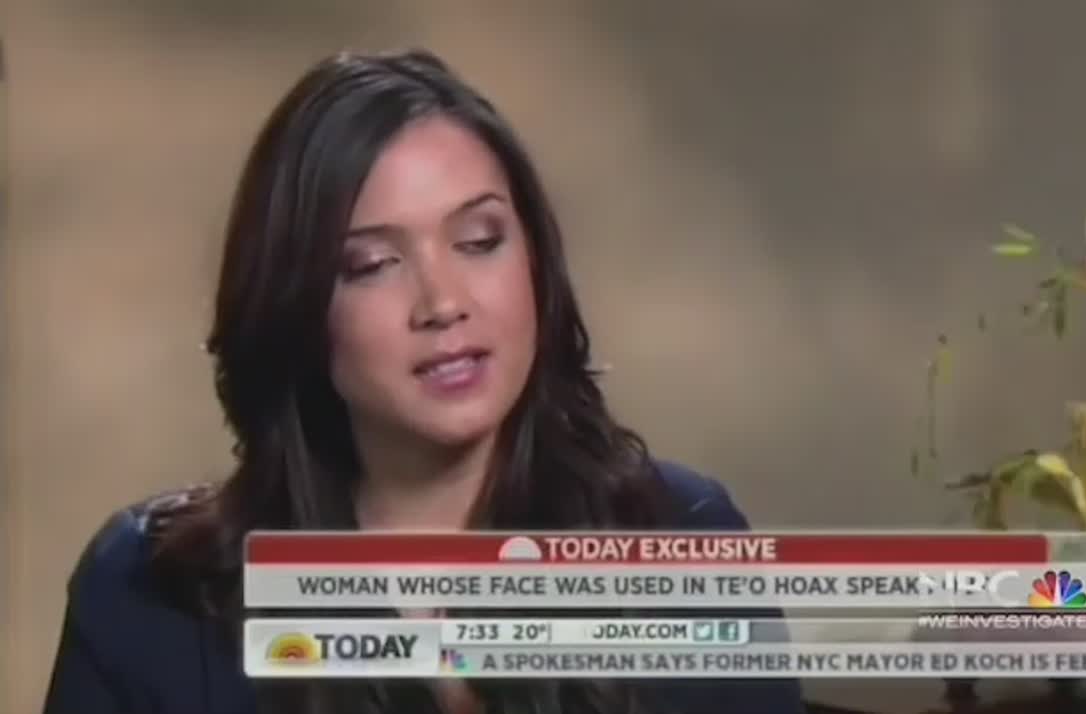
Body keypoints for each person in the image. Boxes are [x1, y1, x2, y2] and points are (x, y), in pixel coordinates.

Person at [42, 48, 806, 714]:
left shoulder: (684, 542)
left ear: (537, 264)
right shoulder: (146, 598)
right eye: (373, 264)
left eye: (479, 240)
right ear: (295, 306)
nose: (443, 303)